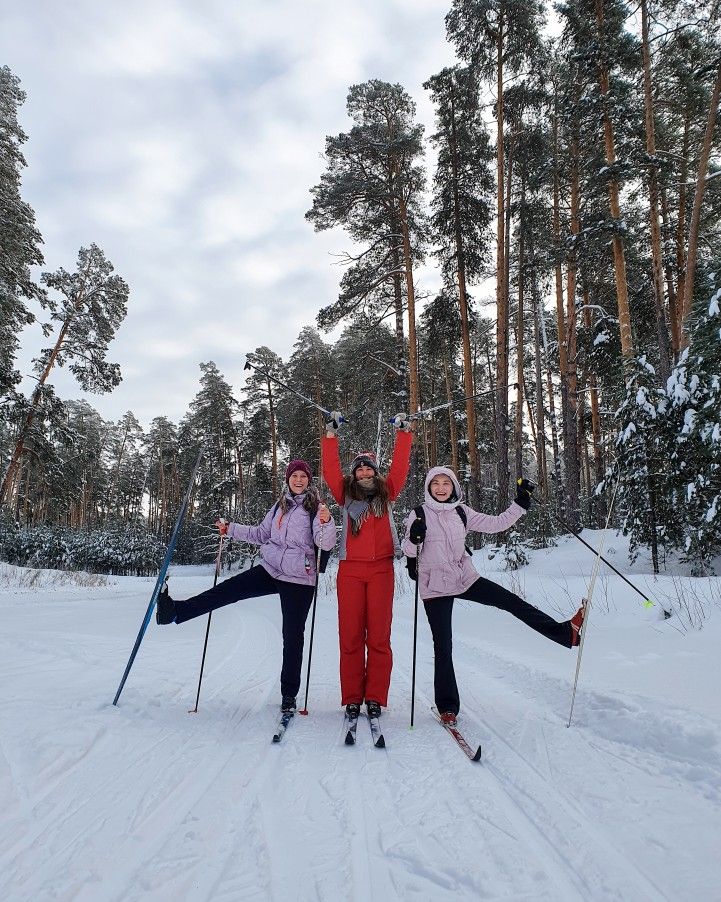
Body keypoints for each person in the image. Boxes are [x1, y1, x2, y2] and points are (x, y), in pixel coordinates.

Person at [402, 467, 585, 726]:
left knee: (512, 602)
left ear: (454, 487)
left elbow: (497, 523)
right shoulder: (419, 514)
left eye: (446, 483)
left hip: (464, 578)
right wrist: (414, 537)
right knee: (443, 646)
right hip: (435, 587)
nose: (441, 488)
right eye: (436, 484)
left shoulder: (461, 512)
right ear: (429, 488)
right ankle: (447, 707)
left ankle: (566, 633)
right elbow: (408, 550)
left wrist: (520, 502)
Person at [155, 460, 337, 713]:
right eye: (294, 476)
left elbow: (325, 544)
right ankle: (175, 612)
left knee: (292, 636)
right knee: (228, 590)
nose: (298, 480)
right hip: (271, 569)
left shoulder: (316, 508)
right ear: (288, 479)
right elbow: (261, 535)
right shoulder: (278, 507)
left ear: (309, 480)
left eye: (303, 476)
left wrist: (327, 522)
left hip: (299, 578)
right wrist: (230, 529)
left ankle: (289, 695)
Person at [322, 412, 413, 720]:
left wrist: (404, 434)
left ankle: (374, 696)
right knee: (349, 636)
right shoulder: (344, 495)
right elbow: (330, 469)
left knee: (378, 637)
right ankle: (351, 697)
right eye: (359, 468)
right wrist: (330, 436)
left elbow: (400, 467)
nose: (363, 471)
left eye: (367, 467)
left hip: (381, 571)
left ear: (374, 471)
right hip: (349, 571)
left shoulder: (387, 494)